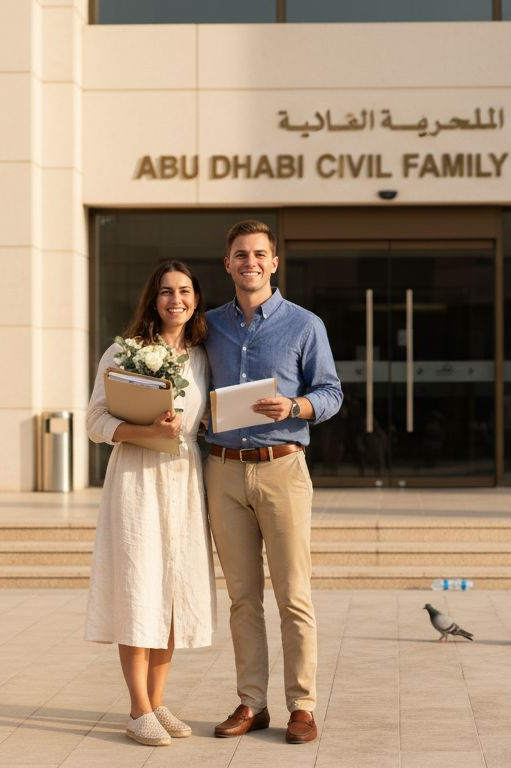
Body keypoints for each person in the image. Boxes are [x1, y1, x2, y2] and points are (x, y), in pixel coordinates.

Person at [203, 220, 343, 744]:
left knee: (293, 595)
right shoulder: (208, 325)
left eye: (259, 254)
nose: (250, 262)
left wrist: (295, 404)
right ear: (228, 263)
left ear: (274, 262)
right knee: (242, 597)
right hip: (222, 470)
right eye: (240, 254)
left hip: (283, 466)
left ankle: (302, 706)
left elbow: (331, 392)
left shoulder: (305, 325)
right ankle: (251, 703)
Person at [84, 260, 216, 747]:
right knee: (139, 588)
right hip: (136, 481)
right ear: (153, 299)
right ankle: (137, 708)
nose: (175, 299)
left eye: (184, 291)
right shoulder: (124, 350)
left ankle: (159, 701)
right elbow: (95, 421)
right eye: (165, 291)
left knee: (173, 590)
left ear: (197, 299)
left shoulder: (202, 357)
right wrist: (145, 431)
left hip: (183, 481)